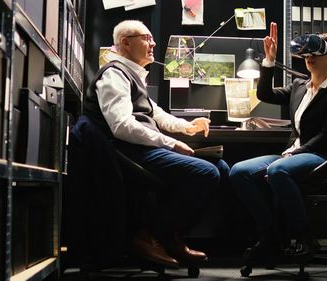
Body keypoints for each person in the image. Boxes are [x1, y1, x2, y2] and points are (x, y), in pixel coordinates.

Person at [83, 20, 229, 268]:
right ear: (126, 43)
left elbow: (156, 113)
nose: (153, 43)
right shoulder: (114, 74)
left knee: (221, 168)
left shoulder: (132, 75)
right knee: (205, 173)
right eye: (146, 38)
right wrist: (171, 144)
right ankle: (148, 236)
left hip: (142, 150)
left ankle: (169, 236)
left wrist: (187, 126)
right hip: (128, 154)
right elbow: (121, 126)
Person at [229, 22, 327, 262]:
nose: (310, 57)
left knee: (277, 170)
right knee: (238, 171)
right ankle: (270, 237)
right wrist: (269, 60)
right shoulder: (299, 86)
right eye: (307, 53)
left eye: (318, 53)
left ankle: (307, 238)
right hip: (293, 155)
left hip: (320, 156)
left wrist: (294, 154)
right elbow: (264, 95)